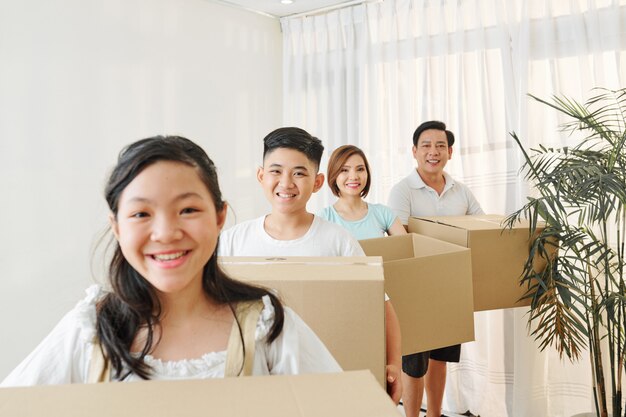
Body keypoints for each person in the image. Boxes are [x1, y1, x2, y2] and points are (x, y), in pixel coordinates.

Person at [1, 135, 340, 386]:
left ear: (220, 217)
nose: (165, 233)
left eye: (188, 210)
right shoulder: (89, 330)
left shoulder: (269, 327)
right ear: (116, 227)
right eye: (141, 213)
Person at [218, 128, 402, 403]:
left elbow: (381, 305)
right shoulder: (232, 242)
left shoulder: (338, 241)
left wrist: (393, 364)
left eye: (299, 173)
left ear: (317, 182)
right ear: (261, 176)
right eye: (276, 171)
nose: (286, 182)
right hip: (252, 382)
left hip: (323, 380)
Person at [387, 121, 484, 417]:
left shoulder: (461, 192)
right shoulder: (402, 191)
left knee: (441, 357)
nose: (434, 152)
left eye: (440, 146)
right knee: (415, 361)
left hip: (450, 287)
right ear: (414, 151)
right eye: (426, 145)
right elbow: (398, 236)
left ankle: (436, 414)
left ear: (450, 152)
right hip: (415, 288)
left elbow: (480, 228)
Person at [318, 144, 405, 402]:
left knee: (381, 381)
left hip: (384, 305)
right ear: (333, 175)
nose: (353, 176)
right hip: (346, 310)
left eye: (360, 169)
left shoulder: (382, 214)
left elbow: (404, 254)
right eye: (344, 170)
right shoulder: (325, 218)